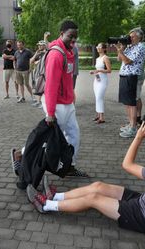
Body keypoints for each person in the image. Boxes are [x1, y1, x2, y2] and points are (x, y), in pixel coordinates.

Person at [27, 122, 145, 234]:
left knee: (93, 199)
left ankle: (47, 205)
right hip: (144, 201)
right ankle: (55, 196)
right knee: (98, 186)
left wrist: (138, 138)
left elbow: (127, 164)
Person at [43, 20, 88, 177]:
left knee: (74, 135)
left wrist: (72, 94)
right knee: (49, 140)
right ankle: (21, 155)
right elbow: (50, 87)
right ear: (61, 34)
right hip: (57, 106)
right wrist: (50, 112)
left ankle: (69, 166)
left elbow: (67, 78)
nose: (74, 40)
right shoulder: (56, 54)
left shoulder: (68, 51)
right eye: (70, 36)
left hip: (67, 103)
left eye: (76, 37)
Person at [116, 28, 145, 138]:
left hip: (132, 76)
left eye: (132, 36)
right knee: (127, 102)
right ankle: (130, 124)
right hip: (125, 76)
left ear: (139, 37)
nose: (130, 38)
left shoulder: (141, 46)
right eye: (130, 36)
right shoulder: (130, 47)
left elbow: (128, 61)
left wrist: (121, 52)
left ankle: (133, 128)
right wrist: (121, 49)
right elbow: (120, 59)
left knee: (132, 103)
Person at [90, 43, 111, 124]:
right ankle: (98, 115)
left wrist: (99, 71)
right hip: (97, 80)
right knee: (97, 97)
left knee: (99, 97)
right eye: (97, 46)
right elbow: (97, 69)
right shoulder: (98, 58)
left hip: (103, 80)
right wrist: (95, 72)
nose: (97, 48)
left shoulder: (105, 58)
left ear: (104, 49)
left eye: (99, 46)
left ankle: (102, 117)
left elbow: (109, 70)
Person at [30, 40, 47, 108]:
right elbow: (31, 61)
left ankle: (44, 103)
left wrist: (39, 61)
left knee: (43, 88)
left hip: (43, 73)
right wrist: (36, 54)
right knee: (38, 88)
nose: (39, 46)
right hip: (37, 73)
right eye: (38, 45)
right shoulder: (38, 53)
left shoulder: (46, 53)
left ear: (44, 46)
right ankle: (38, 102)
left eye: (40, 45)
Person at [136, 41, 145, 125]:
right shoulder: (141, 45)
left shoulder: (143, 45)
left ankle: (137, 118)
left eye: (132, 36)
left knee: (136, 97)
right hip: (137, 75)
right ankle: (137, 118)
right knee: (136, 97)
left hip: (138, 76)